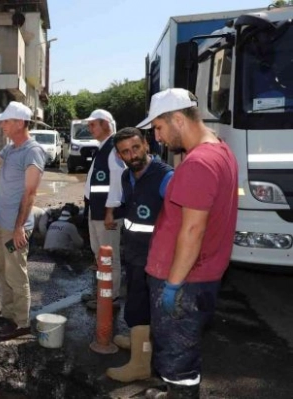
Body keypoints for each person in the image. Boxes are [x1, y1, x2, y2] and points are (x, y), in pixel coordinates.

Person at [137, 88, 237, 399]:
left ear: (178, 119)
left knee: (178, 362)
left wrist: (172, 285)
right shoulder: (220, 151)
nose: (157, 137)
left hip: (184, 282)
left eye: (159, 127)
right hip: (196, 278)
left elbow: (192, 231)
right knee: (181, 352)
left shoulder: (199, 163)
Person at [106, 127, 173, 383]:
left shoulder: (165, 177)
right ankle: (138, 342)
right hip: (134, 254)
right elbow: (132, 206)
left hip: (155, 258)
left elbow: (181, 216)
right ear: (119, 155)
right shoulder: (127, 176)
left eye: (135, 148)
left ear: (146, 144)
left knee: (143, 307)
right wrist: (114, 211)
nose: (131, 155)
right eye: (125, 151)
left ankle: (141, 364)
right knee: (135, 304)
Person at [0, 101, 46, 340]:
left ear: (19, 123)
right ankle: (8, 313)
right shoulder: (12, 148)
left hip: (15, 228)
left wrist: (19, 228)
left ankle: (21, 322)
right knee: (3, 270)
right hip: (2, 224)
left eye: (6, 121)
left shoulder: (32, 151)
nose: (2, 124)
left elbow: (30, 194)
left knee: (17, 274)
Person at [81, 109, 126, 310]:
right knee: (100, 256)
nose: (90, 128)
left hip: (107, 214)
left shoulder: (113, 148)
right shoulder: (104, 147)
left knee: (110, 257)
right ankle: (102, 291)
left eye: (93, 124)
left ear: (106, 124)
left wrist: (110, 212)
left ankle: (111, 297)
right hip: (97, 211)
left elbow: (117, 181)